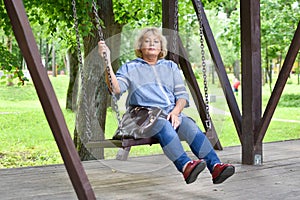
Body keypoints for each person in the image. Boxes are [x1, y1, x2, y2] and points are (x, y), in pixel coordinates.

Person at [98, 27, 235, 184]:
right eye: (147, 41)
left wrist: (176, 112)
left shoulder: (170, 67)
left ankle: (216, 167)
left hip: (171, 113)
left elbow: (182, 96)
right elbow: (115, 88)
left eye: (156, 41)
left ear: (161, 48)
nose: (152, 44)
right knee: (163, 125)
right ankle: (185, 166)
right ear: (139, 46)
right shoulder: (130, 67)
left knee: (190, 125)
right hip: (143, 116)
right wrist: (106, 61)